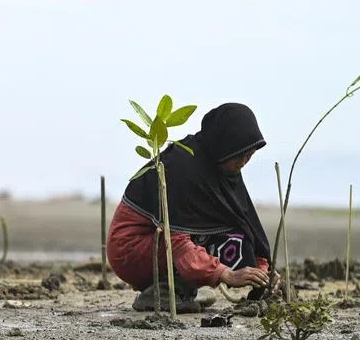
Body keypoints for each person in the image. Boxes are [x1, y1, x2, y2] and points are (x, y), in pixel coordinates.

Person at [107, 103, 275, 313]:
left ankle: (183, 288)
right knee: (198, 238)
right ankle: (166, 291)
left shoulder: (223, 167)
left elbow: (244, 225)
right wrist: (227, 274)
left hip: (164, 246)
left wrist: (262, 270)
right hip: (131, 250)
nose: (244, 162)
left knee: (230, 235)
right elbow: (177, 241)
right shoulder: (183, 166)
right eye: (239, 156)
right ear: (222, 146)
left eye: (249, 154)